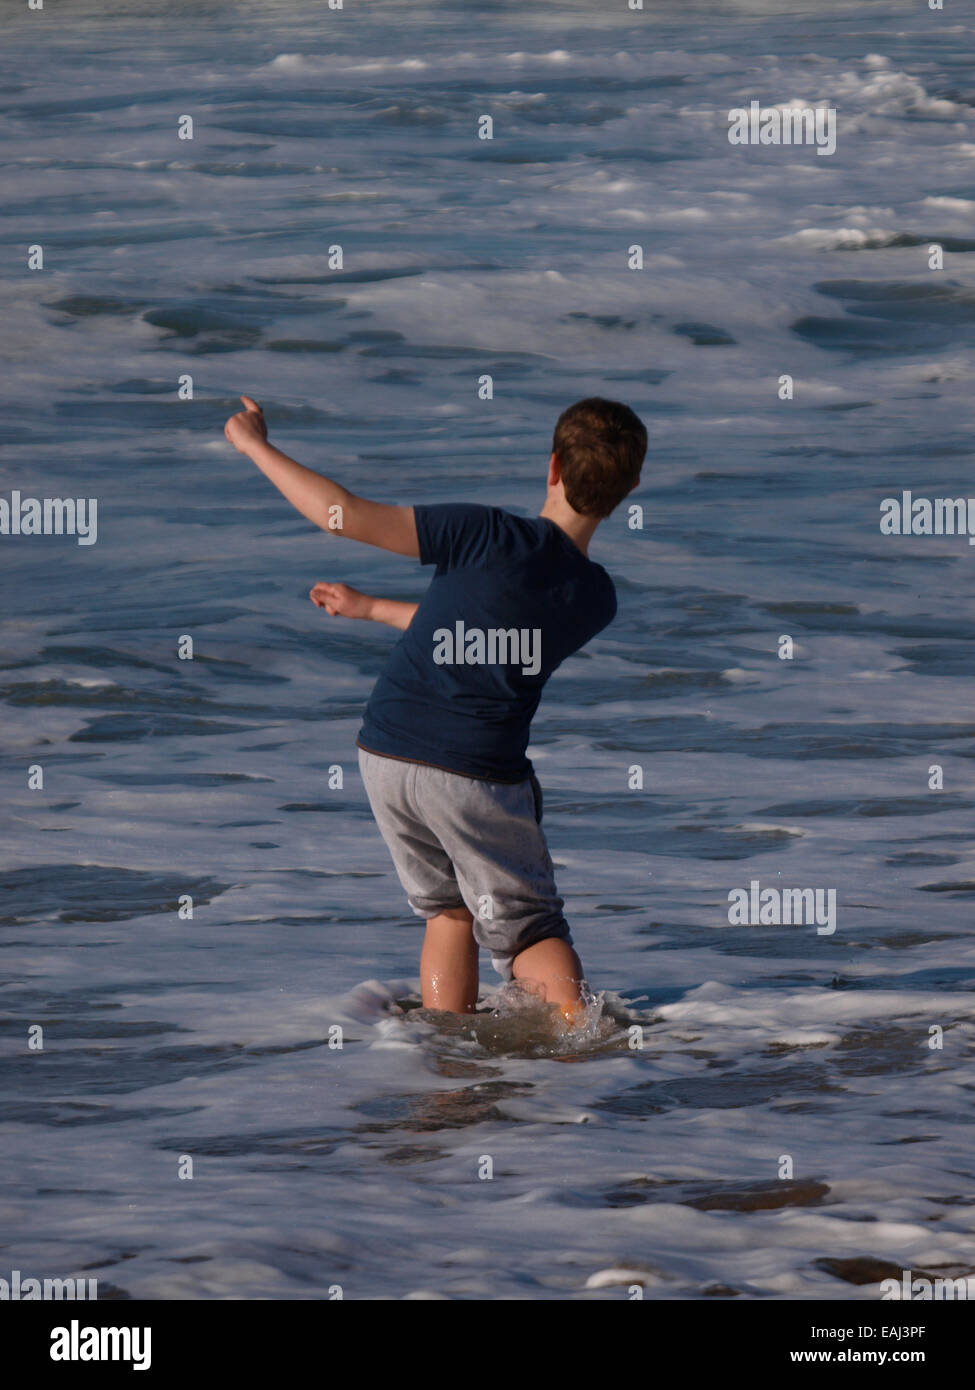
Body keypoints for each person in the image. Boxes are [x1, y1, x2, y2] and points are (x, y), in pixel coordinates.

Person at [224, 394, 645, 1023]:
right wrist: (372, 609)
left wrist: (254, 445)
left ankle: (442, 1062)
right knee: (527, 928)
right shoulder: (594, 597)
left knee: (446, 909)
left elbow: (343, 516)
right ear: (629, 489)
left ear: (552, 466)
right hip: (473, 774)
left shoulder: (482, 532)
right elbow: (499, 637)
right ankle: (579, 1046)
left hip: (386, 750)